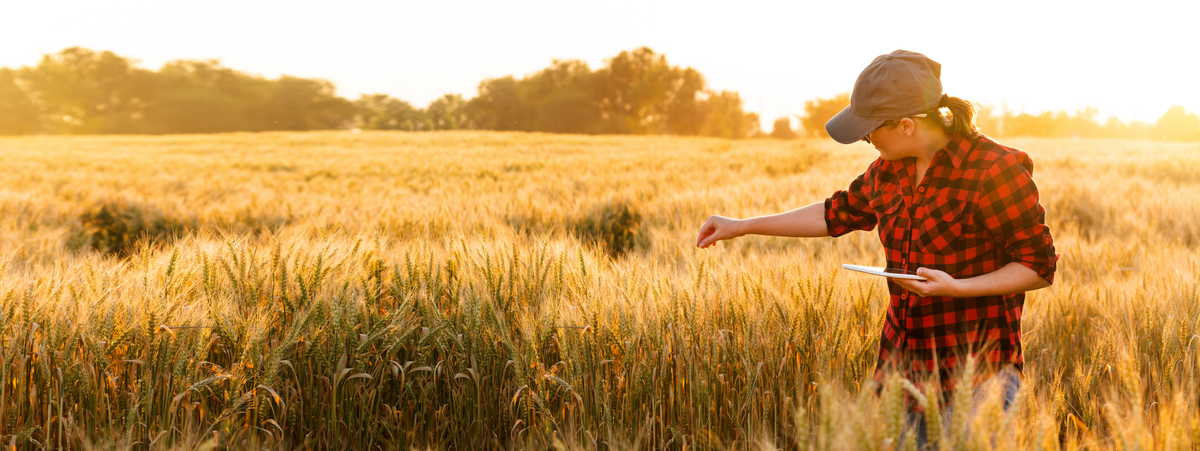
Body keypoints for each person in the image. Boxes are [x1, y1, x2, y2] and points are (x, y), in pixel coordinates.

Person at [694, 49, 1058, 447]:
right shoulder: (888, 169)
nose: (865, 139)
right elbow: (833, 214)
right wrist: (742, 226)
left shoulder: (994, 169)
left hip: (976, 379)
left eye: (869, 130)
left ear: (906, 125)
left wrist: (955, 287)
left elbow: (1038, 267)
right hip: (900, 373)